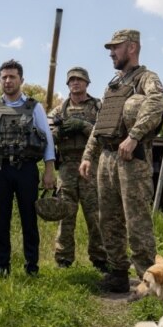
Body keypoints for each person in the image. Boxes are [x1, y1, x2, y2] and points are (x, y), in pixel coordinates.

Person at [79, 29, 163, 293]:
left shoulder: (146, 78)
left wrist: (134, 136)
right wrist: (88, 156)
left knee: (137, 219)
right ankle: (118, 272)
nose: (111, 53)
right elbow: (101, 122)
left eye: (115, 48)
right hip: (106, 158)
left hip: (132, 158)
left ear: (131, 47)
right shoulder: (113, 84)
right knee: (108, 218)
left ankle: (147, 280)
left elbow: (159, 102)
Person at [0, 59, 56, 277]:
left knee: (29, 219)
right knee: (1, 220)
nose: (8, 81)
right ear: (0, 80)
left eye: (12, 77)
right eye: (4, 77)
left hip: (26, 170)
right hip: (0, 170)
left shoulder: (34, 107)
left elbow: (47, 140)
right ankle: (2, 266)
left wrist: (49, 171)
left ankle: (32, 267)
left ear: (21, 79)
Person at [48, 67, 107, 272]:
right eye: (72, 80)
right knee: (66, 214)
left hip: (91, 164)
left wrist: (83, 126)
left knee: (96, 215)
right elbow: (47, 136)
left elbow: (105, 132)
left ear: (87, 83)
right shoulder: (58, 111)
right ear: (67, 84)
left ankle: (101, 259)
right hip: (66, 166)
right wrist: (61, 131)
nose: (75, 83)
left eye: (79, 79)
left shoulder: (98, 107)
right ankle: (63, 258)